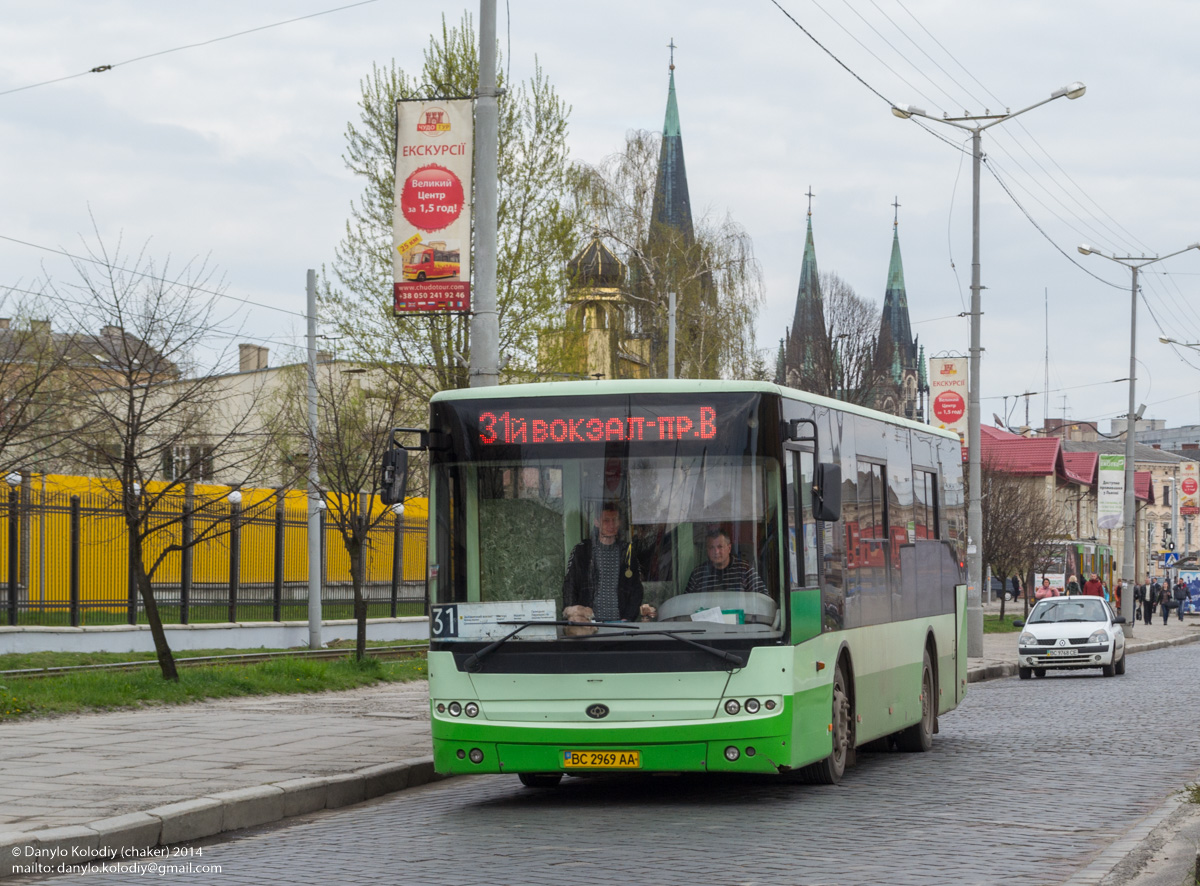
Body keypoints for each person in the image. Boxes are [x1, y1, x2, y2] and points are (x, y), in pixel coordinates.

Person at [562, 502, 655, 623]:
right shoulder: (582, 551)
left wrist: (628, 618)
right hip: (588, 625)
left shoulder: (627, 552)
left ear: (620, 522)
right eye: (606, 520)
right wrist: (574, 617)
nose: (611, 525)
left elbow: (636, 589)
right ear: (596, 522)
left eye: (615, 520)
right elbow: (570, 585)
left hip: (620, 625)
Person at [685, 527, 768, 596]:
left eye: (720, 547)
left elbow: (763, 598)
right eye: (711, 547)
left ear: (729, 548)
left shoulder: (745, 570)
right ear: (707, 550)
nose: (716, 552)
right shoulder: (698, 575)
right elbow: (686, 603)